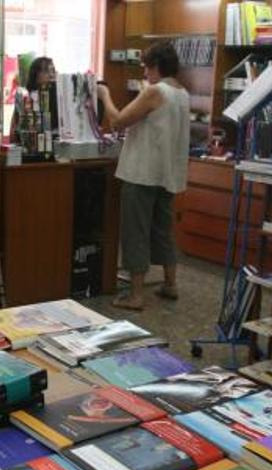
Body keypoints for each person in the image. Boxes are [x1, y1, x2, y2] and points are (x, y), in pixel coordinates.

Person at [97, 41, 190, 311]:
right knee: (162, 229)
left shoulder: (155, 91)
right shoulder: (181, 92)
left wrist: (104, 95)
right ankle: (170, 283)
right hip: (168, 173)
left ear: (156, 66)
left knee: (135, 231)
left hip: (142, 172)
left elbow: (117, 121)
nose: (145, 73)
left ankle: (136, 295)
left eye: (146, 67)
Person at [10, 56, 55, 142]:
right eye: (46, 71)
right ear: (35, 74)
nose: (51, 75)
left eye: (53, 70)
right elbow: (15, 125)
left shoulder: (57, 99)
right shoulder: (25, 96)